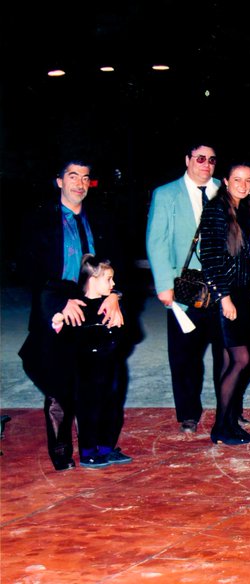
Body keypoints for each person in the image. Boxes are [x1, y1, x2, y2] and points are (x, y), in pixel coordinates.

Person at [19, 160, 126, 470]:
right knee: (59, 387)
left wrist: (116, 297)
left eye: (85, 177)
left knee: (104, 386)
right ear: (59, 181)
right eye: (72, 176)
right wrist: (60, 302)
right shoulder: (40, 221)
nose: (79, 183)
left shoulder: (101, 218)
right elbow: (30, 272)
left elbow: (119, 265)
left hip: (97, 309)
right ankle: (62, 454)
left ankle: (99, 448)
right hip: (58, 307)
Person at [146, 143, 225, 434]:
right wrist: (164, 286)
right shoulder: (165, 194)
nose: (206, 164)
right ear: (188, 160)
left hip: (220, 288)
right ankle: (188, 414)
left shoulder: (224, 189)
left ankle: (229, 410)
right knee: (184, 356)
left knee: (227, 354)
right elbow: (156, 241)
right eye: (200, 159)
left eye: (212, 160)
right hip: (184, 288)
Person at [198, 163, 250, 445]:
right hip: (226, 296)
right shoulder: (216, 210)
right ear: (225, 181)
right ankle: (221, 427)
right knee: (242, 360)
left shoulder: (244, 211)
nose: (244, 185)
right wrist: (224, 297)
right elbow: (210, 258)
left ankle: (229, 423)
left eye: (248, 180)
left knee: (229, 361)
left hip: (243, 295)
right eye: (238, 179)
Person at [49, 256, 128, 468]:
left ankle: (106, 447)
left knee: (111, 408)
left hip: (110, 365)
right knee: (89, 410)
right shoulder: (77, 306)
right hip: (87, 369)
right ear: (93, 279)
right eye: (109, 279)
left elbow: (126, 334)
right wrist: (57, 322)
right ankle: (88, 451)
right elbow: (64, 335)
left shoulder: (110, 304)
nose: (113, 285)